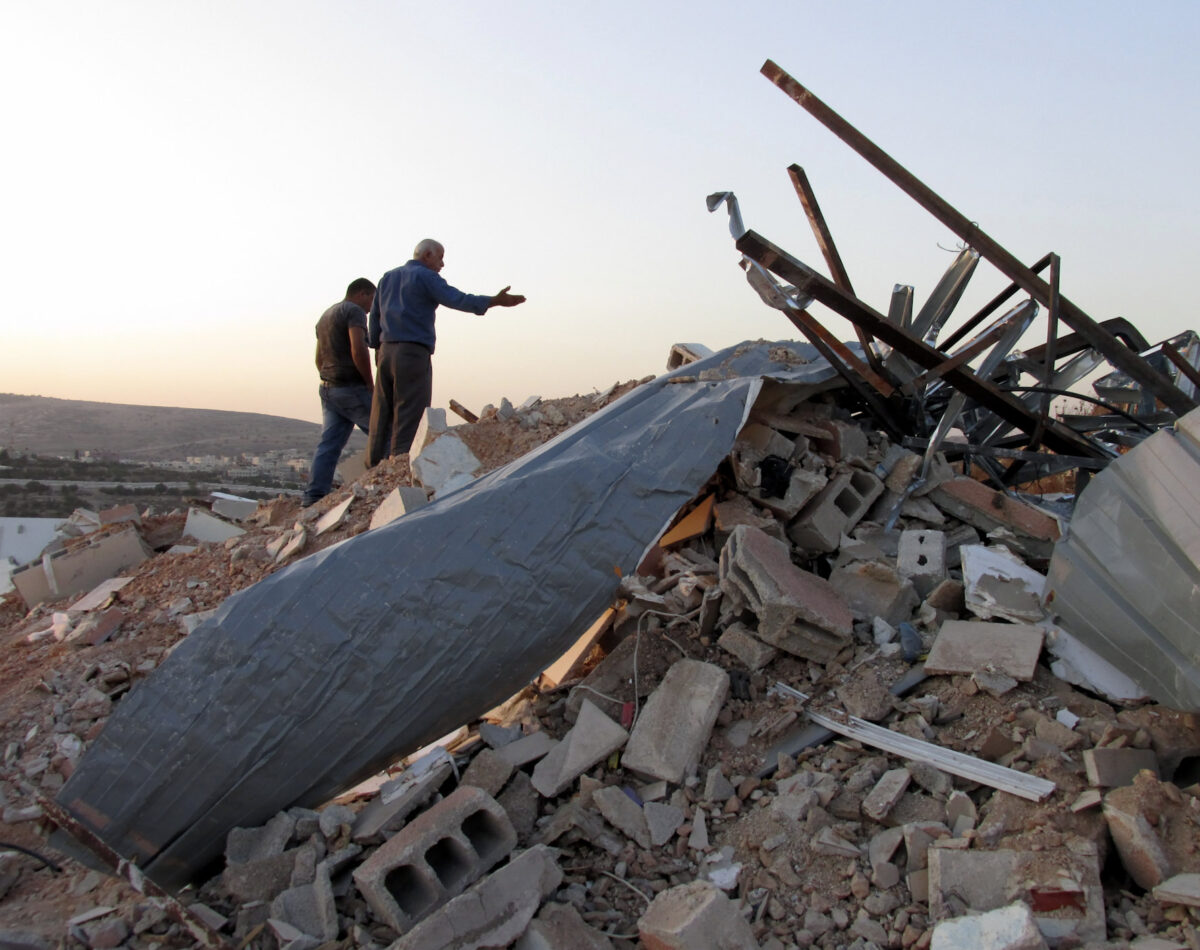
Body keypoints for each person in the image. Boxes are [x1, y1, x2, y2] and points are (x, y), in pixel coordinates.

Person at [366, 238, 525, 465]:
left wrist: (377, 347)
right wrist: (494, 301)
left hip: (386, 351)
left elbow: (375, 316)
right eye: (440, 258)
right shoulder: (426, 277)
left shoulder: (387, 277)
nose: (442, 264)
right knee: (410, 411)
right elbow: (457, 298)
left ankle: (373, 465)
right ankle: (400, 464)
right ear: (427, 255)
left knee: (381, 411)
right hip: (412, 352)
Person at [301, 277, 377, 507]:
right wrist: (369, 383)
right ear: (362, 294)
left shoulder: (325, 316)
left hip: (328, 387)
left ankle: (313, 496)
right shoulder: (353, 312)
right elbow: (358, 349)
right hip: (350, 387)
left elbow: (318, 357)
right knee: (382, 433)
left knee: (329, 444)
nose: (371, 307)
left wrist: (328, 379)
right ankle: (392, 482)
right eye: (372, 300)